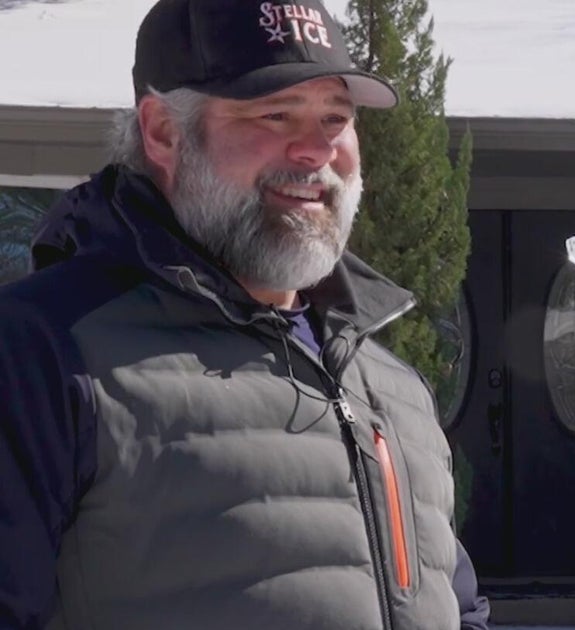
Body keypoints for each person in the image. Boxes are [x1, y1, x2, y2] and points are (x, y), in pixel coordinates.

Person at [0, 0, 489, 628]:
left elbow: (459, 607)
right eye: (276, 114)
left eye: (336, 118)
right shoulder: (41, 354)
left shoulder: (392, 387)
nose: (316, 152)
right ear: (163, 133)